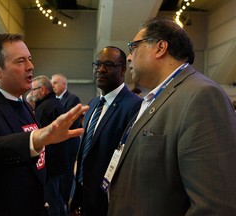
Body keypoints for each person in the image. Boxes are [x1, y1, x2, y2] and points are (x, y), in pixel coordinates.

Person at [108, 17, 236, 216]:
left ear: (160, 48)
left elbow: (214, 206)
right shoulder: (155, 97)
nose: (129, 57)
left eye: (133, 47)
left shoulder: (201, 96)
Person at [0, 33, 88, 216]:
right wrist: (37, 138)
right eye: (20, 61)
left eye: (30, 59)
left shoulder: (23, 104)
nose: (31, 66)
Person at [71, 46, 142, 216]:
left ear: (123, 69)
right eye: (98, 64)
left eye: (109, 65)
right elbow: (86, 154)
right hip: (86, 197)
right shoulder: (94, 103)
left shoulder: (134, 106)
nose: (101, 70)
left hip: (111, 201)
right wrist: (77, 196)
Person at [31, 75, 69, 216]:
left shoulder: (45, 108)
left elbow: (39, 136)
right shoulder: (54, 103)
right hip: (58, 161)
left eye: (33, 90)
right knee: (57, 198)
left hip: (51, 162)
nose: (31, 93)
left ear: (42, 90)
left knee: (51, 200)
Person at [51, 73, 82, 211]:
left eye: (55, 82)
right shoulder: (54, 100)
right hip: (59, 144)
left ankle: (66, 202)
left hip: (69, 145)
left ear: (64, 84)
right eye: (52, 83)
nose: (53, 85)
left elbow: (71, 122)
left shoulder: (72, 99)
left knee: (67, 174)